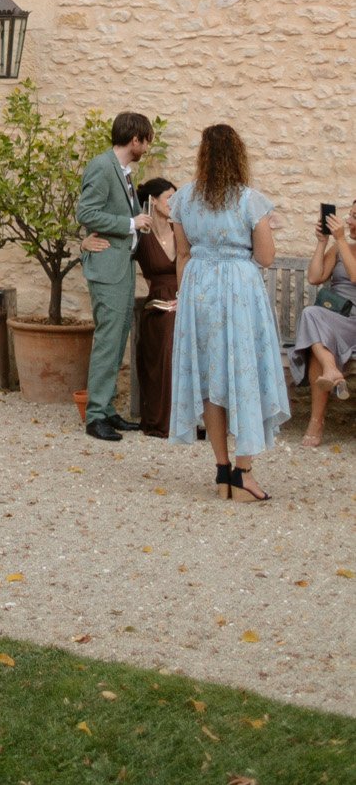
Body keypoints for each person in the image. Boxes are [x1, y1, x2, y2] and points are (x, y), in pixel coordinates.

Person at [169, 124, 290, 500]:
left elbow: (183, 254)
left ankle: (222, 472)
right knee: (243, 372)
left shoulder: (183, 199)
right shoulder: (249, 200)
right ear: (238, 156)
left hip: (198, 287)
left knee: (210, 378)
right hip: (239, 289)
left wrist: (185, 293)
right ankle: (244, 474)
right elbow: (266, 258)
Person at [77, 111, 154, 440]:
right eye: (146, 140)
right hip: (107, 268)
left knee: (117, 337)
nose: (148, 146)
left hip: (121, 266)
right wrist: (130, 224)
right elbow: (87, 211)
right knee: (108, 340)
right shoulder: (101, 165)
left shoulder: (122, 171)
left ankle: (107, 410)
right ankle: (95, 416)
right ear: (134, 139)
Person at [291, 198, 356, 447]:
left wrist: (340, 239)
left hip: (353, 323)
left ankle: (316, 423)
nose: (348, 220)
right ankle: (330, 369)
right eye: (349, 215)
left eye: (354, 217)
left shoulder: (344, 245)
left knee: (312, 317)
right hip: (333, 319)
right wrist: (322, 242)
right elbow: (315, 277)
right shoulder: (339, 248)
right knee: (313, 317)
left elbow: (354, 275)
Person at [133, 176, 178, 438]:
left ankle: (185, 418)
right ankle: (162, 419)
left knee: (178, 325)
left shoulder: (181, 231)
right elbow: (114, 250)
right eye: (169, 198)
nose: (174, 203)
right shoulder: (142, 236)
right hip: (157, 302)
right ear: (153, 201)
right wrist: (85, 244)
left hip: (186, 298)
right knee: (166, 329)